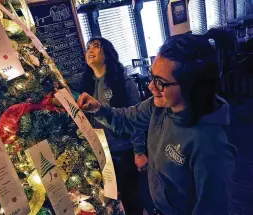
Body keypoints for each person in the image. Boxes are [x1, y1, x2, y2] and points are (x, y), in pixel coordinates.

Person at [77, 28, 238, 215]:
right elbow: (127, 118)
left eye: (160, 81)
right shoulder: (159, 106)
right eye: (152, 76)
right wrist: (98, 108)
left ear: (191, 85)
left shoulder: (211, 145)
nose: (151, 86)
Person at [68, 37, 144, 214]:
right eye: (88, 48)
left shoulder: (124, 83)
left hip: (122, 151)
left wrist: (139, 151)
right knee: (109, 198)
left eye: (96, 47)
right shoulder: (84, 80)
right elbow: (60, 81)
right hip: (98, 152)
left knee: (130, 196)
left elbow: (137, 120)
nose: (90, 50)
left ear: (107, 54)